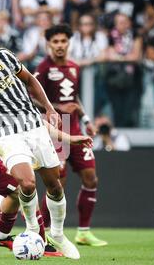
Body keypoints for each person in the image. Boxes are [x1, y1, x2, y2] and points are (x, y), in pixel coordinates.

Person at [0, 32, 80, 259]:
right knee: (26, 184)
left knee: (55, 186)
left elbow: (30, 80)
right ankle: (34, 232)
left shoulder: (3, 56)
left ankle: (57, 234)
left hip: (35, 128)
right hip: (7, 137)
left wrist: (49, 109)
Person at [0, 105, 93, 256]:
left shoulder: (12, 101)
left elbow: (38, 124)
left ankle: (0, 237)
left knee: (16, 193)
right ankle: (42, 242)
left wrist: (69, 139)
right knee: (22, 188)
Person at [33, 24, 107, 247]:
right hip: (55, 130)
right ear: (48, 44)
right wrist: (54, 107)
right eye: (55, 42)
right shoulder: (42, 69)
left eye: (63, 41)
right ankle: (42, 232)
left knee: (91, 178)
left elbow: (74, 99)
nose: (59, 45)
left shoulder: (75, 67)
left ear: (69, 43)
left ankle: (83, 232)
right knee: (57, 184)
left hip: (75, 128)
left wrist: (86, 120)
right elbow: (30, 98)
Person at [105, 12, 143, 127]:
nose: (123, 25)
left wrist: (119, 57)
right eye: (120, 22)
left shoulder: (136, 35)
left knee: (130, 110)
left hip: (133, 79)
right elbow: (109, 55)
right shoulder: (110, 36)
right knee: (117, 109)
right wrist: (127, 57)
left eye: (125, 22)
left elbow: (136, 56)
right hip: (114, 78)